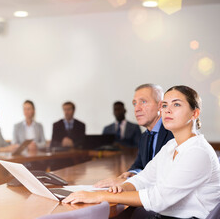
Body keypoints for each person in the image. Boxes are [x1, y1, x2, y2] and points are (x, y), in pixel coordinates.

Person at [63, 85, 220, 218]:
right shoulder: (171, 145)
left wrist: (100, 195)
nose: (167, 110)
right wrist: (122, 187)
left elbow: (159, 198)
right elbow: (145, 178)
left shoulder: (198, 152)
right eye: (164, 105)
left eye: (176, 104)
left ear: (195, 113)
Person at [95, 84, 173, 187]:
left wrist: (130, 182)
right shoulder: (144, 136)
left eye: (143, 102)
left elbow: (168, 176)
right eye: (134, 104)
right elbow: (139, 165)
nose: (137, 109)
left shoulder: (174, 133)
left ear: (160, 106)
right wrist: (132, 173)